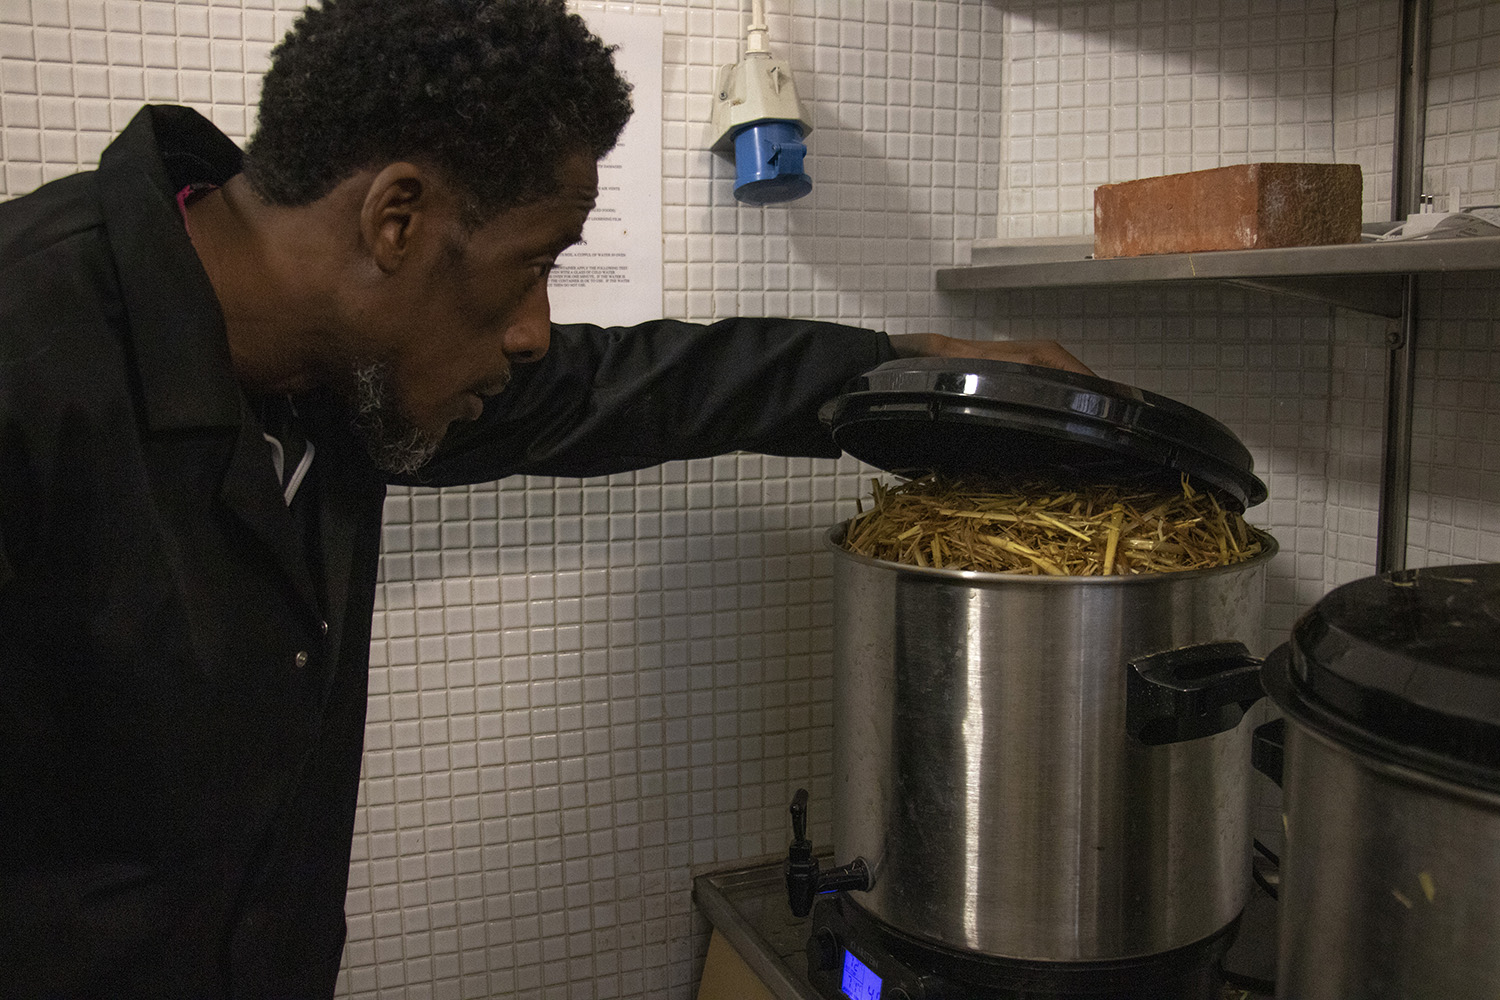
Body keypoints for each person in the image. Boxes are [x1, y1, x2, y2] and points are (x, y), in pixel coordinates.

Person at [0, 0, 1089, 995]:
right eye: (533, 266)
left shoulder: (334, 367)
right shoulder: (32, 359)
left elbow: (628, 387)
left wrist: (912, 370)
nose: (532, 329)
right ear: (397, 220)